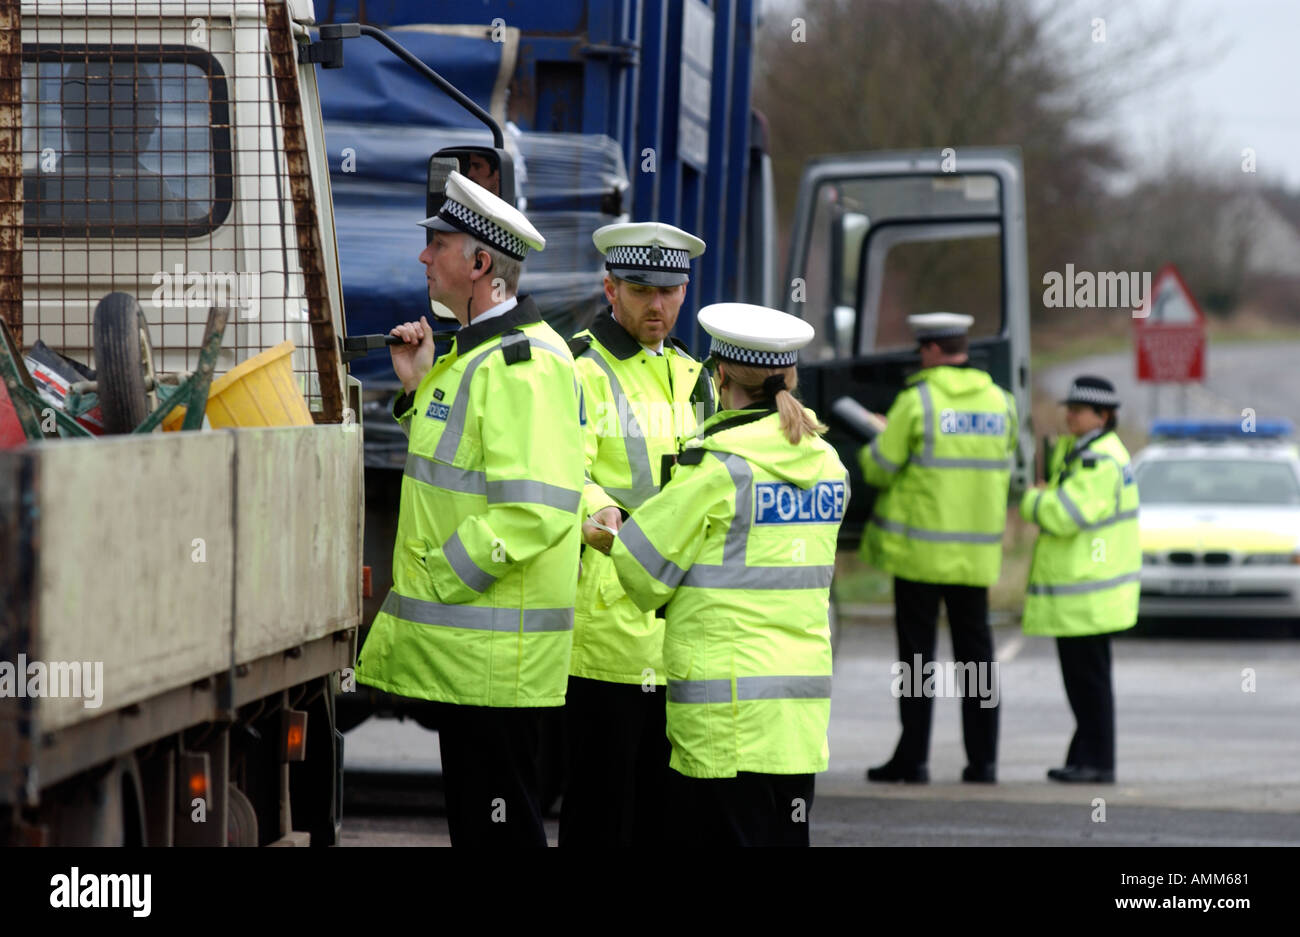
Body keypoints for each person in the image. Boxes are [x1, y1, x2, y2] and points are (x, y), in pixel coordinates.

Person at [355, 170, 584, 847]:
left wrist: (442, 574)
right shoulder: (475, 354)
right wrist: (417, 387)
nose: (423, 256)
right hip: (473, 658)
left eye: (439, 244)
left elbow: (536, 511)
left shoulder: (523, 365)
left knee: (499, 833)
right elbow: (458, 463)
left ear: (481, 265)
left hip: (494, 662)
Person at [609, 302, 848, 847]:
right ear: (789, 378)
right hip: (797, 715)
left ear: (719, 377)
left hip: (725, 721)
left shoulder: (717, 468)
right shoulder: (830, 465)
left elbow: (642, 571)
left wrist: (612, 537)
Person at [559, 222, 714, 847]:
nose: (658, 305)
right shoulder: (581, 369)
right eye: (641, 290)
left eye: (669, 291)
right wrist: (598, 509)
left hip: (679, 636)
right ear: (611, 289)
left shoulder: (694, 374)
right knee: (600, 814)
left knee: (665, 817)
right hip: (608, 633)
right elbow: (561, 470)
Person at [860, 312, 1018, 784]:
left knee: (917, 663)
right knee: (978, 661)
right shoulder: (1002, 402)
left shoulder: (918, 401)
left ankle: (913, 760)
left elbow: (880, 468)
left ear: (930, 350)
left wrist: (878, 435)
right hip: (976, 556)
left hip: (919, 555)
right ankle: (983, 762)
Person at [1020, 375, 1138, 784]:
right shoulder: (1089, 451)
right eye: (1068, 408)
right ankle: (1084, 756)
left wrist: (1033, 499)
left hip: (1088, 595)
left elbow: (1065, 515)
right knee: (1086, 684)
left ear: (1102, 416)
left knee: (1089, 685)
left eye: (1077, 410)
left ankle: (1098, 764)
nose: (1069, 415)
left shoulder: (1099, 460)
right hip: (1087, 595)